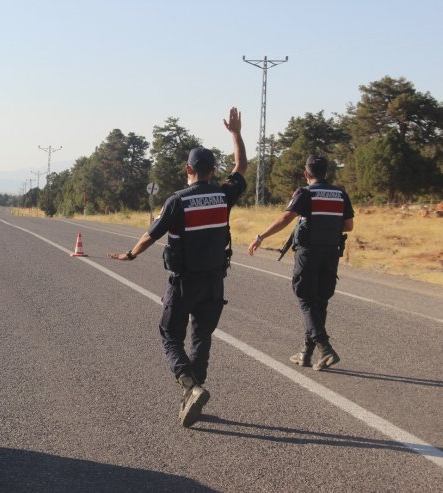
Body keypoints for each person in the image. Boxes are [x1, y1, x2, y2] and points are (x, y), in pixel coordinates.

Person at [108, 107, 247, 428]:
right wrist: (235, 134)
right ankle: (193, 393)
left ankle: (188, 384)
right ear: (213, 171)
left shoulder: (177, 201)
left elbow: (150, 235)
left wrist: (130, 255)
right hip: (215, 282)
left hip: (184, 282)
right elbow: (240, 166)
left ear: (189, 169)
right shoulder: (224, 195)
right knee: (202, 338)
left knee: (170, 334)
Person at [247, 156, 354, 370]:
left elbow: (286, 219)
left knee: (305, 298)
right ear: (327, 173)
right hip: (331, 253)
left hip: (308, 253)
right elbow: (348, 226)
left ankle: (325, 348)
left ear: (307, 174)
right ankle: (307, 353)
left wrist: (260, 237)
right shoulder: (340, 194)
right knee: (320, 301)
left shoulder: (304, 193)